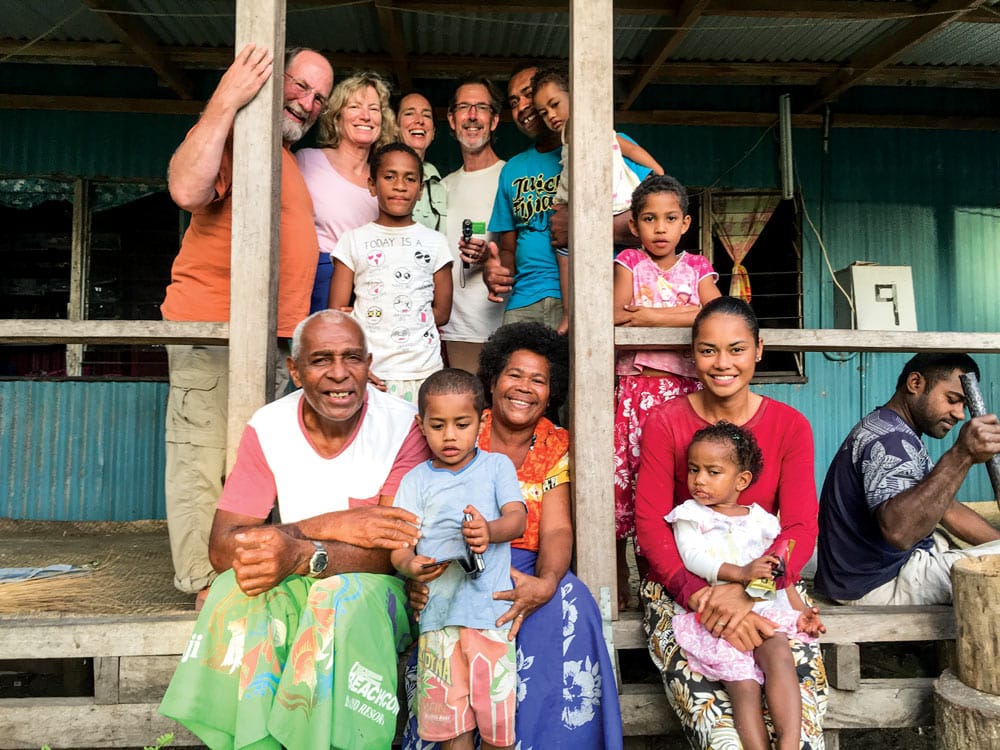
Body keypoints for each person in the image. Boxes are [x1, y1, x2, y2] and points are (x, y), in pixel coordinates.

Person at [159, 310, 431, 749]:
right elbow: (222, 547)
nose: (339, 374)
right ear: (295, 369)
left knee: (338, 598)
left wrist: (301, 554)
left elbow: (395, 552)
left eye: (353, 358)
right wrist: (331, 526)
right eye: (321, 359)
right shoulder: (269, 426)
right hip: (296, 579)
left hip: (379, 593)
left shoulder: (402, 426)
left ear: (369, 363)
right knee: (233, 587)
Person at [160, 45, 333, 601]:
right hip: (216, 327)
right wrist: (227, 98)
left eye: (318, 98)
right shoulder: (234, 130)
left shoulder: (280, 152)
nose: (307, 104)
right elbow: (186, 189)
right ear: (267, 77)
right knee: (203, 454)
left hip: (271, 335)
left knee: (250, 461)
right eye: (300, 86)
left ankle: (237, 577)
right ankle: (201, 584)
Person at [402, 322, 624, 750]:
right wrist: (416, 573)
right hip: (461, 569)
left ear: (551, 389)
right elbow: (420, 511)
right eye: (514, 375)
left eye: (538, 380)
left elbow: (557, 528)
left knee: (570, 601)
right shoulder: (459, 425)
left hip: (528, 567)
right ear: (492, 380)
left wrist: (545, 583)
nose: (524, 388)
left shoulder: (556, 444)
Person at [634, 296, 827, 750]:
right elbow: (649, 524)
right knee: (724, 735)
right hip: (681, 590)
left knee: (800, 733)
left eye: (736, 349)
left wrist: (747, 591)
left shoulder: (789, 426)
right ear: (692, 353)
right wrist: (699, 595)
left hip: (768, 588)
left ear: (759, 350)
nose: (722, 364)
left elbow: (800, 526)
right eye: (708, 350)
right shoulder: (666, 422)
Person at [392, 369, 526, 750]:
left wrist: (489, 531)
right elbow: (400, 545)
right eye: (437, 425)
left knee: (498, 730)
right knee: (452, 731)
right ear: (421, 425)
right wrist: (410, 566)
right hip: (438, 622)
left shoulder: (496, 467)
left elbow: (518, 519)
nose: (449, 436)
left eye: (461, 424)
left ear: (482, 422)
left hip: (489, 620)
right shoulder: (415, 480)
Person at [669, 421, 825, 750]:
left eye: (713, 472)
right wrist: (740, 573)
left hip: (761, 607)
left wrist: (801, 611)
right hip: (717, 616)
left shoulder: (763, 521)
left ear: (741, 480)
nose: (699, 480)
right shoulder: (689, 515)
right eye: (694, 469)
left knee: (779, 655)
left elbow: (778, 572)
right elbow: (692, 557)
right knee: (744, 686)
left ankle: (789, 742)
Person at [613, 174, 720, 608]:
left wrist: (653, 318)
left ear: (686, 223)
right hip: (638, 393)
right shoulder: (628, 263)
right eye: (650, 219)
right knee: (628, 483)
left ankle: (665, 581)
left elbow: (715, 311)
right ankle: (618, 582)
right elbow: (618, 314)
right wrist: (685, 314)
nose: (660, 228)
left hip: (684, 397)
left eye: (670, 218)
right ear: (635, 226)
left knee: (675, 483)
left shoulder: (697, 267)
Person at [815, 353, 1000, 605]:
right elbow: (900, 533)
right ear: (915, 383)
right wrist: (961, 456)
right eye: (952, 400)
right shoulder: (891, 440)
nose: (959, 414)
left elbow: (948, 509)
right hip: (880, 583)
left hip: (863, 577)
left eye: (964, 406)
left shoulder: (891, 427)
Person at [482, 66, 652, 331]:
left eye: (528, 94)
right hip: (525, 302)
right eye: (514, 102)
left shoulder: (608, 145)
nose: (522, 107)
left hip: (596, 297)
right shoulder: (512, 170)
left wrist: (578, 227)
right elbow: (508, 247)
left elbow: (655, 224)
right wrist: (496, 272)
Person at [531, 66, 664, 333]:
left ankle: (572, 314)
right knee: (564, 250)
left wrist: (657, 171)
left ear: (576, 96)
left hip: (614, 203)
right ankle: (570, 314)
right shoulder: (568, 136)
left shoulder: (596, 128)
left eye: (555, 104)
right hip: (584, 206)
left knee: (571, 251)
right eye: (544, 112)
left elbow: (632, 150)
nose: (551, 116)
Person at [329, 142, 453, 402]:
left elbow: (441, 313)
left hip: (424, 371)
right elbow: (337, 313)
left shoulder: (435, 242)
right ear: (372, 185)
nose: (400, 186)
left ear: (420, 190)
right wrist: (358, 363)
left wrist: (401, 317)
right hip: (372, 374)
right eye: (389, 177)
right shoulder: (353, 241)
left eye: (410, 179)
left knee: (419, 440)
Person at [296, 70, 397, 313]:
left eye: (374, 109)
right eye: (355, 107)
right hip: (314, 283)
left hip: (369, 288)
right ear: (337, 116)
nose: (366, 116)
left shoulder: (384, 179)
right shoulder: (307, 161)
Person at [438, 77, 507, 374]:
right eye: (464, 107)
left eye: (481, 107)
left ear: (494, 120)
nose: (473, 116)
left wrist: (491, 257)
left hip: (504, 328)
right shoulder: (442, 188)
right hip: (455, 330)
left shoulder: (511, 177)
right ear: (452, 120)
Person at [398, 91, 448, 232]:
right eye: (409, 113)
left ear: (433, 132)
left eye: (426, 115)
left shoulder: (443, 184)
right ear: (394, 126)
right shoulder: (375, 178)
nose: (419, 120)